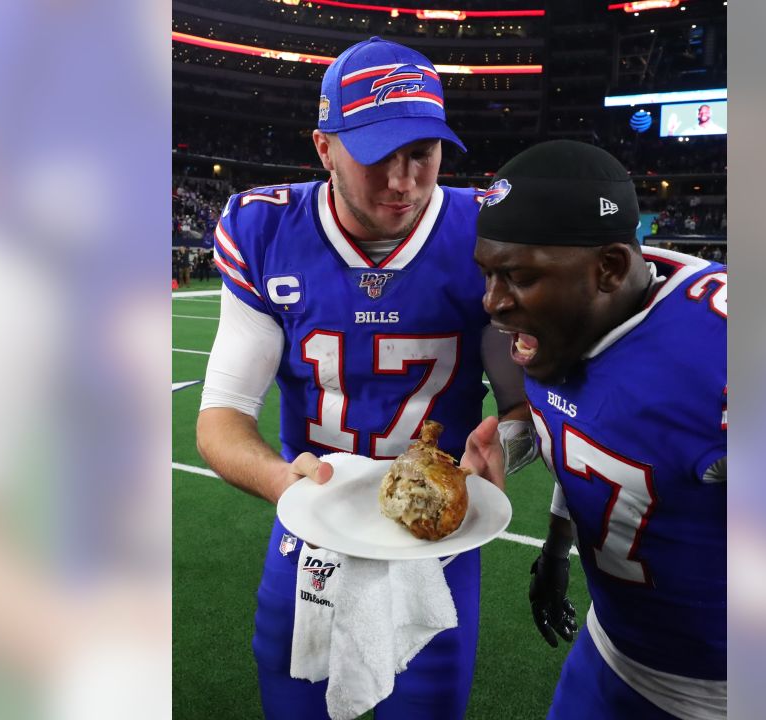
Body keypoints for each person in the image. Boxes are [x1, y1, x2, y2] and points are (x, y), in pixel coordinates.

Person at [194, 36, 531, 720]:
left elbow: (519, 410)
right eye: (378, 156)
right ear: (324, 147)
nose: (403, 181)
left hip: (435, 547)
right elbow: (221, 418)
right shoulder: (267, 230)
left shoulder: (483, 234)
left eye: (422, 154)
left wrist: (513, 445)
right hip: (313, 533)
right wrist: (282, 480)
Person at [474, 140, 727, 719]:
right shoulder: (558, 324)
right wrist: (557, 551)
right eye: (487, 273)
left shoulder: (725, 354)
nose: (493, 303)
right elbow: (586, 439)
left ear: (609, 268)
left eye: (516, 276)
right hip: (610, 653)